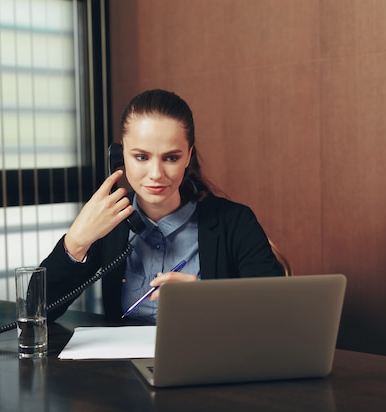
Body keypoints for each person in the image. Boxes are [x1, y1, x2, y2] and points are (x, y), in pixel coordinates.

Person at [41, 89, 284, 323]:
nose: (156, 174)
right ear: (120, 156)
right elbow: (36, 313)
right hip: (124, 364)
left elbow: (276, 314)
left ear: (188, 156)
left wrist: (209, 300)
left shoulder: (236, 222)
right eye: (141, 157)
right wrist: (76, 241)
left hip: (211, 361)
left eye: (171, 158)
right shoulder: (110, 223)